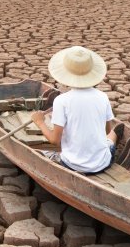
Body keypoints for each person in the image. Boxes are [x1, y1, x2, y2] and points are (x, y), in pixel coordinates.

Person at [30, 45, 119, 174]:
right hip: (102, 163)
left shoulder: (61, 101)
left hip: (72, 165)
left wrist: (40, 122)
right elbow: (107, 131)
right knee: (113, 135)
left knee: (49, 151)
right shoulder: (102, 97)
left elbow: (55, 141)